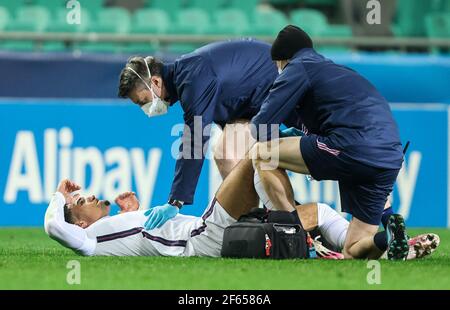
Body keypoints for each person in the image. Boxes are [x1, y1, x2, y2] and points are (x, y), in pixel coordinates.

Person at [45, 163, 439, 259]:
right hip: (201, 238)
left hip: (200, 231)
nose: (90, 197)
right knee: (257, 156)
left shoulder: (111, 223)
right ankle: (295, 233)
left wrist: (137, 211)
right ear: (78, 220)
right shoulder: (89, 239)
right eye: (80, 203)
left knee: (317, 211)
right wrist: (59, 195)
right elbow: (53, 228)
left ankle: (383, 246)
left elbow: (143, 234)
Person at [250, 25, 408, 260]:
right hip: (390, 157)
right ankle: (388, 237)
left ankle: (295, 234)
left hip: (351, 146)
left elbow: (261, 127)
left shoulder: (298, 67)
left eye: (277, 66)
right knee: (353, 250)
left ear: (282, 60)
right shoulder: (337, 71)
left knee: (262, 153)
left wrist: (286, 138)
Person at [117, 39, 282, 229]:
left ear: (155, 81)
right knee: (229, 155)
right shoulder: (187, 76)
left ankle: (261, 222)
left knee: (230, 154)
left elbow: (194, 141)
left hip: (273, 82)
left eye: (143, 101)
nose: (145, 109)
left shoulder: (191, 78)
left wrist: (175, 202)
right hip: (254, 98)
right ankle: (251, 223)